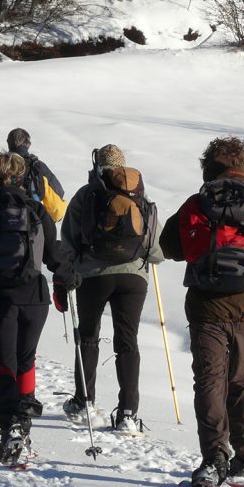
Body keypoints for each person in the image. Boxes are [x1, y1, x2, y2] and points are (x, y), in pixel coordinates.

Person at [159, 136, 244, 487]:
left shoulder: (196, 204)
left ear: (208, 168)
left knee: (209, 381)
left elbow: (169, 247)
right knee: (243, 381)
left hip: (205, 308)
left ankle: (214, 458)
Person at [0, 152, 80, 464]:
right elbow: (56, 255)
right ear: (22, 177)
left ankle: (9, 427)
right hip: (34, 295)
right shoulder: (36, 209)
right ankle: (23, 427)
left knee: (4, 365)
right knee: (26, 362)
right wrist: (67, 282)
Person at [59, 144, 164, 435]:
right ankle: (128, 413)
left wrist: (69, 269)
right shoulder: (139, 194)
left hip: (93, 275)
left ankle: (84, 402)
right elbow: (156, 247)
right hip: (134, 278)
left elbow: (67, 238)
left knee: (89, 337)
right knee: (127, 341)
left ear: (97, 166)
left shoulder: (86, 194)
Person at [0, 127, 67, 222]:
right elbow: (57, 211)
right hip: (29, 228)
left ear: (8, 143)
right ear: (28, 144)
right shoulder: (38, 168)